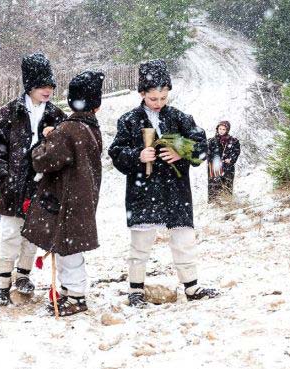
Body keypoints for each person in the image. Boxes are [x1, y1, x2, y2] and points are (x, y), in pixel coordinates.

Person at [108, 59, 219, 308]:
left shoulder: (181, 118)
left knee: (184, 240)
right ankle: (135, 289)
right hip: (143, 190)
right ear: (142, 94)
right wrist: (137, 156)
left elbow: (203, 147)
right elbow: (115, 152)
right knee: (140, 244)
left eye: (163, 98)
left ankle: (191, 286)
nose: (158, 103)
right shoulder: (128, 120)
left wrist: (182, 151)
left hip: (176, 191)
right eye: (153, 99)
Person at [0, 52, 66, 306]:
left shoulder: (56, 115)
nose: (47, 90)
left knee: (33, 234)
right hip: (13, 184)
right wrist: (3, 175)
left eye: (51, 86)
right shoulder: (9, 112)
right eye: (42, 85)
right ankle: (2, 281)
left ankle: (23, 274)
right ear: (29, 86)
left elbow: (63, 151)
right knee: (9, 234)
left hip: (42, 185)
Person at [22, 71, 104, 316]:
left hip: (67, 199)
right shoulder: (90, 128)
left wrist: (41, 145)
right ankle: (69, 292)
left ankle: (76, 296)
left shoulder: (68, 130)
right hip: (83, 197)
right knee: (69, 247)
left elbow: (44, 160)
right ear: (97, 106)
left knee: (68, 249)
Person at [207, 121, 241, 203]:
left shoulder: (233, 141)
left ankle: (228, 202)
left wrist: (231, 159)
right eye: (220, 129)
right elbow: (207, 154)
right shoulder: (211, 141)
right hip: (215, 167)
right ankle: (214, 204)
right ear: (217, 129)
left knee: (227, 184)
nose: (221, 131)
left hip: (228, 167)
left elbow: (236, 152)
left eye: (224, 129)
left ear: (227, 130)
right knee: (214, 186)